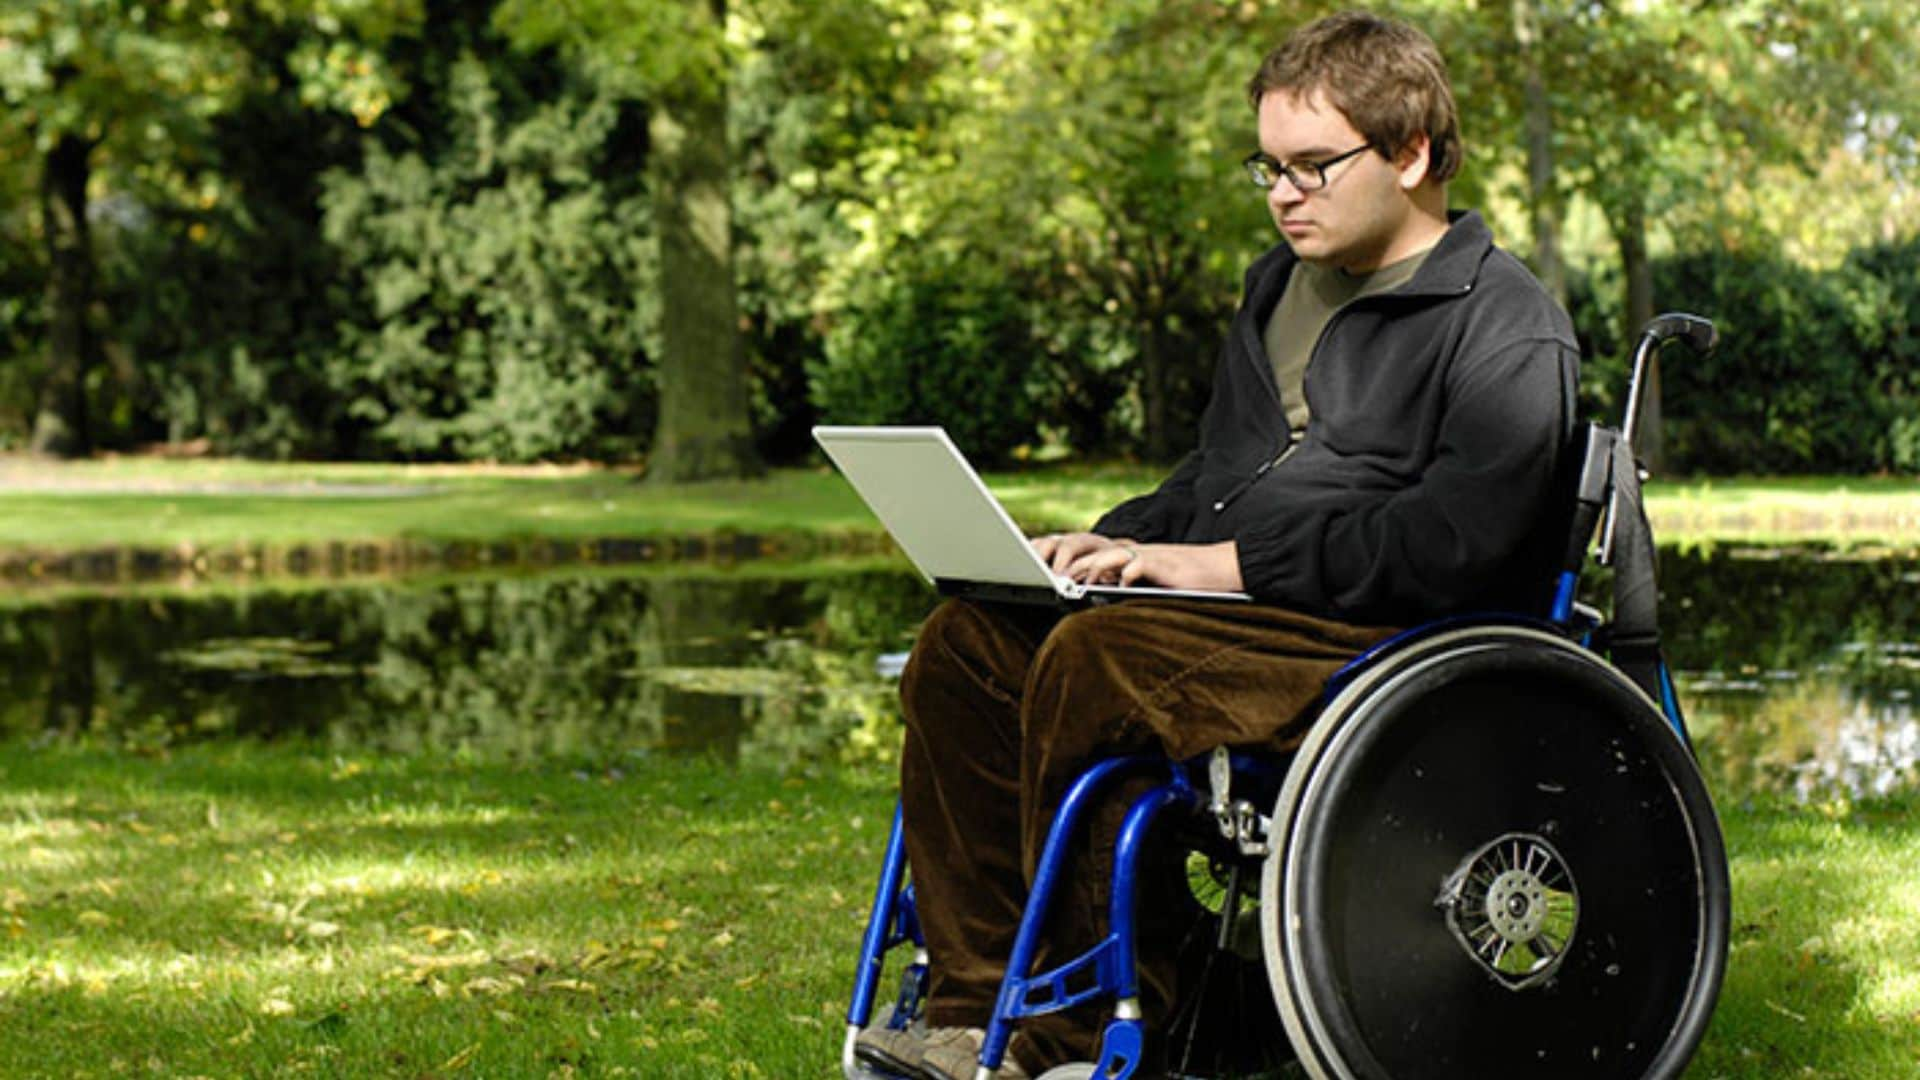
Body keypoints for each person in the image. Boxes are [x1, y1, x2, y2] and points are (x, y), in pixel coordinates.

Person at [857, 11, 1579, 1078]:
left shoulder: (1505, 326)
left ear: (1413, 153)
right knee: (969, 640)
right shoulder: (1276, 289)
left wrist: (1225, 569)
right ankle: (972, 1011)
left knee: (1097, 664)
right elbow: (1218, 480)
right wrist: (1099, 548)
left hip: (1379, 640)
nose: (1284, 192)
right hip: (1224, 616)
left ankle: (1078, 1025)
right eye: (1269, 166)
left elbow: (1457, 542)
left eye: (1313, 166)